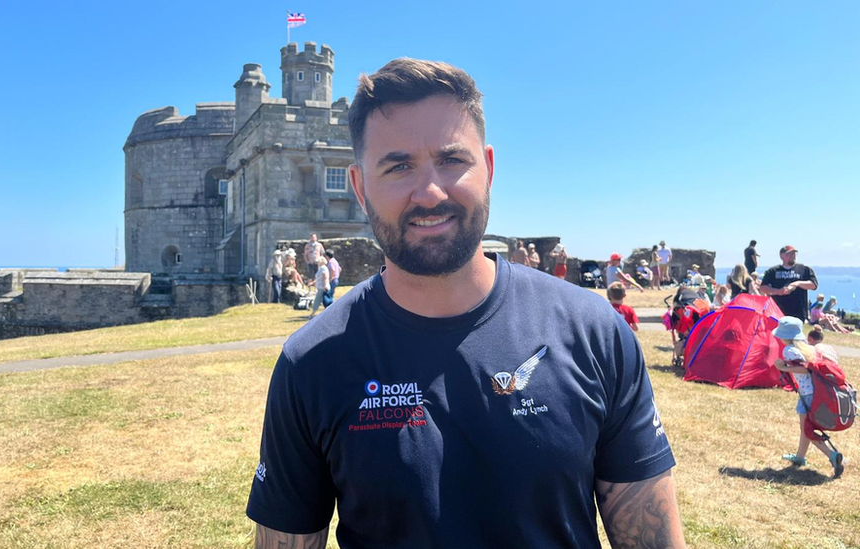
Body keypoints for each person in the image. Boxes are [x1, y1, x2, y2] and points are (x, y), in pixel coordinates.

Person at [247, 57, 684, 549]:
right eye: (398, 166)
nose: (430, 192)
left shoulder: (593, 331)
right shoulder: (311, 362)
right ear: (359, 186)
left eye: (452, 160)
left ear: (490, 168)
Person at [772, 317, 845, 478]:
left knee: (808, 429)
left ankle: (832, 456)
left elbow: (804, 369)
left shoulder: (789, 350)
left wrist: (781, 366)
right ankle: (800, 457)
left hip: (808, 395)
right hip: (816, 392)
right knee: (805, 429)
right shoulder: (806, 347)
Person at [760, 245, 818, 321]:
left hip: (798, 313)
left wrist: (797, 284)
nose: (792, 256)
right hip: (777, 311)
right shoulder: (773, 271)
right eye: (789, 254)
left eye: (794, 254)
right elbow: (763, 287)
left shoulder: (804, 269)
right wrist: (778, 291)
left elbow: (813, 285)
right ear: (781, 256)